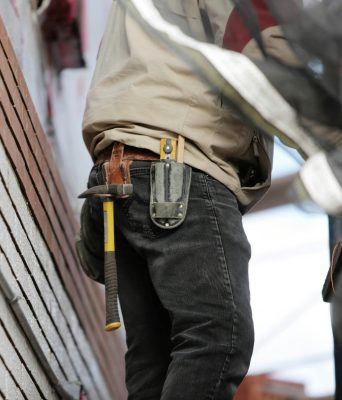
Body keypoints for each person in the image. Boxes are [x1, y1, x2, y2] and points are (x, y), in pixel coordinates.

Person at [78, 1, 298, 398]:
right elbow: (265, 52)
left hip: (123, 171)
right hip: (176, 171)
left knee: (155, 361)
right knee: (219, 338)